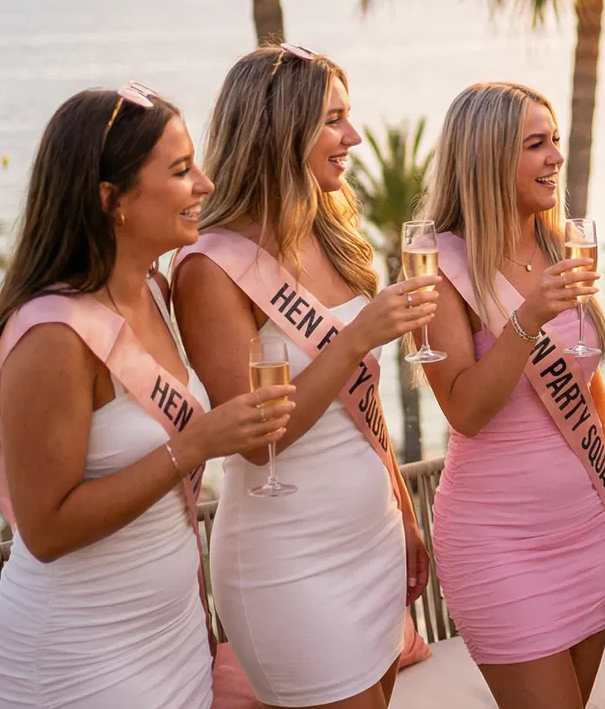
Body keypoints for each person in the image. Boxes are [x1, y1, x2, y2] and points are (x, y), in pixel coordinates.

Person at [0, 85, 294, 709]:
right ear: (110, 199)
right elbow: (45, 529)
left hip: (169, 637)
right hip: (78, 657)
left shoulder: (156, 289)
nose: (205, 184)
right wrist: (196, 445)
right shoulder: (53, 336)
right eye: (180, 171)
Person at [174, 46, 434, 709]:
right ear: (278, 132)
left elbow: (361, 407)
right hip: (290, 563)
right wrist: (358, 338)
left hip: (370, 537)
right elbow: (258, 438)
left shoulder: (332, 232)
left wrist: (402, 512)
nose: (353, 137)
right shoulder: (211, 267)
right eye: (334, 121)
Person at [417, 82, 605, 709]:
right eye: (537, 145)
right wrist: (528, 318)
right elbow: (466, 410)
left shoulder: (559, 245)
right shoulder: (439, 263)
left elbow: (589, 389)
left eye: (555, 139)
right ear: (488, 158)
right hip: (496, 540)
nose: (556, 157)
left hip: (587, 526)